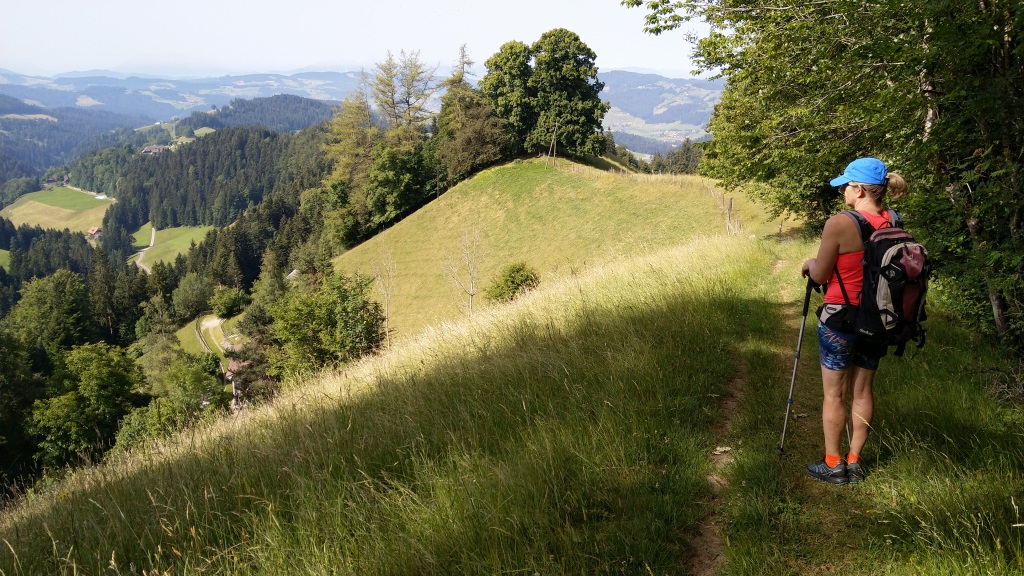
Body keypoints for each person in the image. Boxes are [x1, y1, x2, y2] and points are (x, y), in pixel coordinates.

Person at [800, 157, 908, 485]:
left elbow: (820, 273)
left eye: (847, 185)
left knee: (835, 394)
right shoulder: (895, 220)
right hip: (877, 321)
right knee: (862, 390)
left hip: (841, 320)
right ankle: (855, 461)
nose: (844, 191)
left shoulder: (840, 224)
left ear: (859, 189)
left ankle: (833, 465)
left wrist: (808, 264)